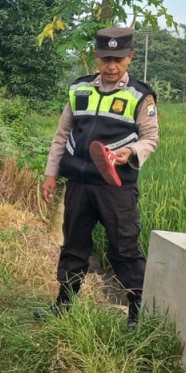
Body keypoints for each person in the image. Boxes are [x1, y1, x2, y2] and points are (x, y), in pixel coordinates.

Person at [36, 26, 159, 330]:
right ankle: (63, 305)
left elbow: (150, 139)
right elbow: (62, 134)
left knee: (124, 249)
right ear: (96, 57)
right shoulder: (79, 90)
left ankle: (136, 315)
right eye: (105, 58)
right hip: (79, 183)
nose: (111, 66)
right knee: (73, 246)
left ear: (130, 57)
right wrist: (51, 173)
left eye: (118, 59)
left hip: (116, 188)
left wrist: (128, 153)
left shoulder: (140, 96)